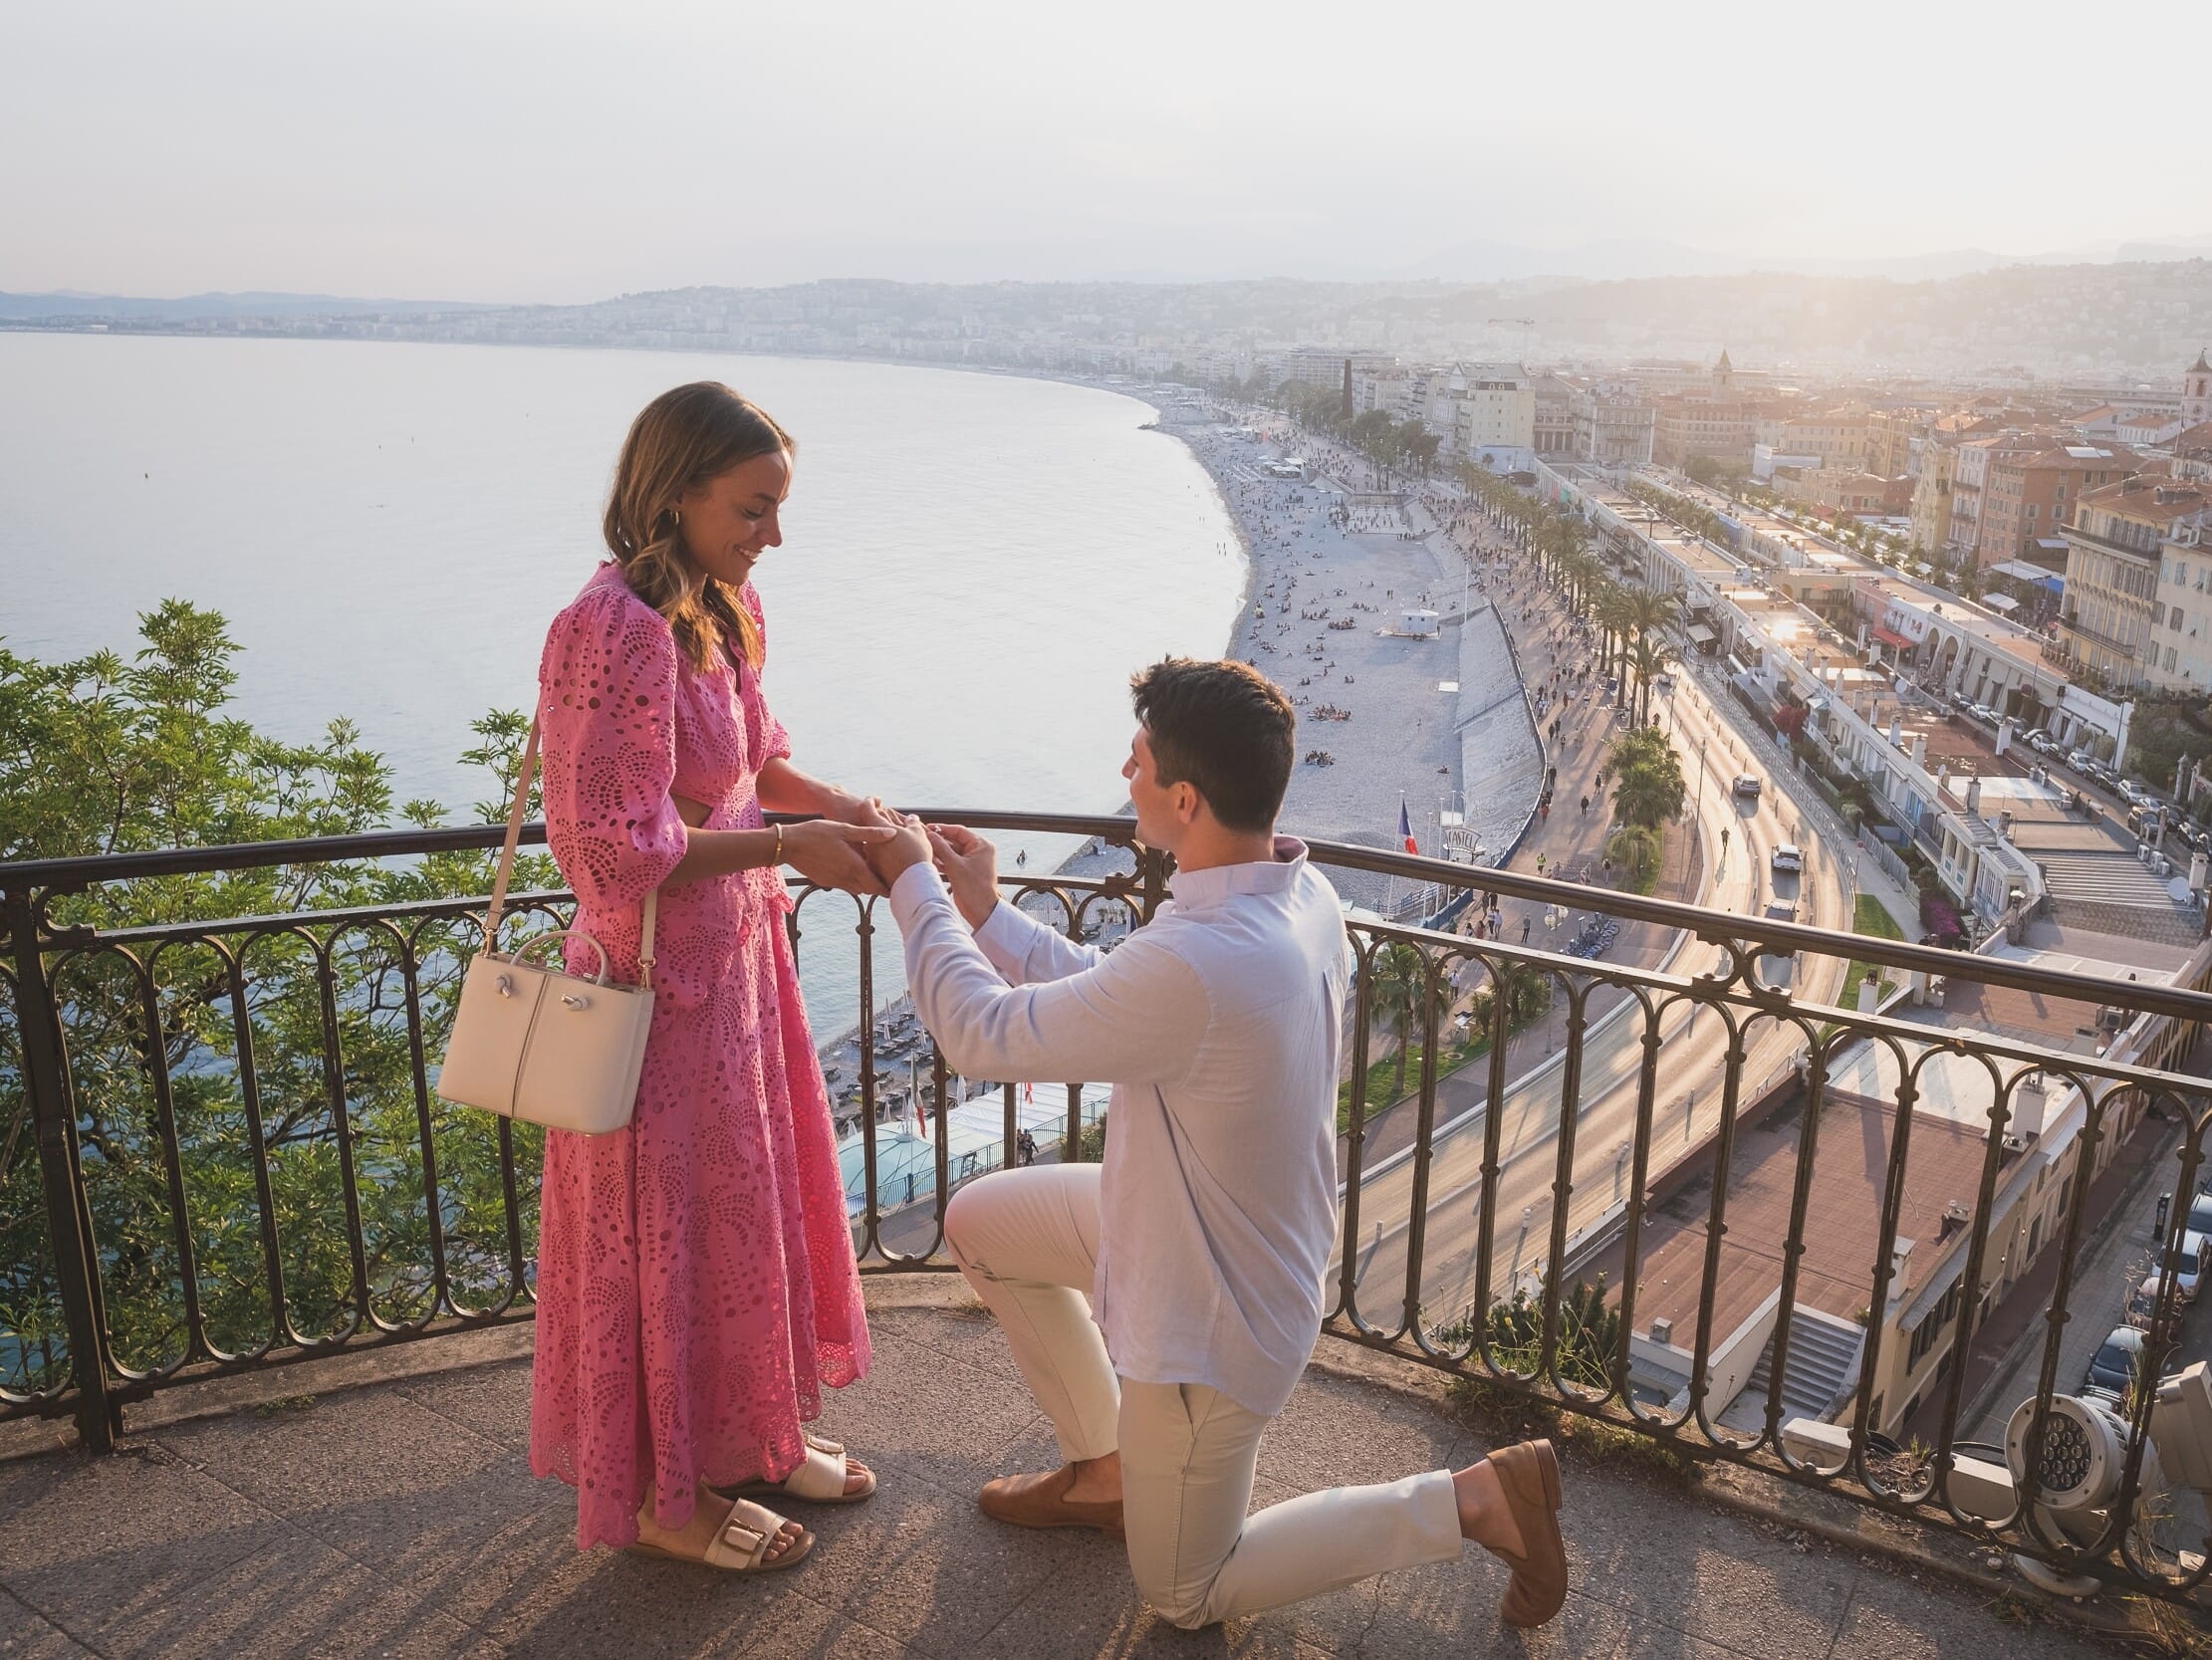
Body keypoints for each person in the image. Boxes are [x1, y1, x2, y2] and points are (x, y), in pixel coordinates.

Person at [869, 659, 1568, 1631]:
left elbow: (983, 1032)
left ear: (1185, 797)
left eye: (1139, 758)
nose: (1124, 770)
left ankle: (1475, 1499)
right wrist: (986, 910)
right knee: (982, 1220)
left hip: (1211, 1315)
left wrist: (915, 884)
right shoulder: (1289, 891)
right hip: (1184, 1220)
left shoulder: (1203, 956)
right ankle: (1109, 1470)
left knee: (1183, 1594)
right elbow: (1121, 991)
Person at [531, 383, 892, 1572]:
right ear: (673, 488)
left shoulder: (722, 607)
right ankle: (658, 1497)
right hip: (649, 1001)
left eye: (777, 508)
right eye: (753, 508)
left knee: (745, 1217)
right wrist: (793, 848)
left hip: (731, 976)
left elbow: (756, 760)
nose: (771, 536)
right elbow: (604, 850)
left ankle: (750, 1431)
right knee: (663, 1239)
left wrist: (840, 807)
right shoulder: (610, 630)